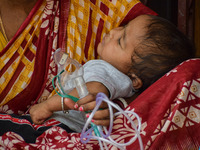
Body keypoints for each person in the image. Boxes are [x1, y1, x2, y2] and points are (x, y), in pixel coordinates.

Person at [0, 14, 195, 143]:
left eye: (120, 41)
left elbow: (90, 93)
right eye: (123, 27)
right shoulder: (129, 87)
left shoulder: (105, 69)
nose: (113, 31)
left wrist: (48, 106)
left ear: (136, 78)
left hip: (55, 125)